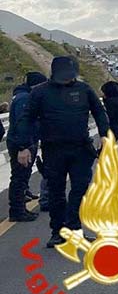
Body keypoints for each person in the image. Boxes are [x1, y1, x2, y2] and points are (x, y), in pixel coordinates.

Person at [12, 57, 109, 247]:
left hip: (81, 148)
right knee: (56, 192)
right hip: (53, 150)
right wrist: (23, 146)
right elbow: (26, 119)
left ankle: (74, 229)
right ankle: (58, 232)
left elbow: (99, 112)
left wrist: (105, 134)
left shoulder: (84, 89)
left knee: (80, 188)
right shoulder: (40, 92)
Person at [6, 72, 47, 221]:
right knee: (19, 177)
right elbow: (23, 123)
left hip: (22, 141)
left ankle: (20, 208)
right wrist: (23, 146)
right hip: (21, 143)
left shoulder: (22, 96)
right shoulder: (25, 99)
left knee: (22, 176)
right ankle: (17, 211)